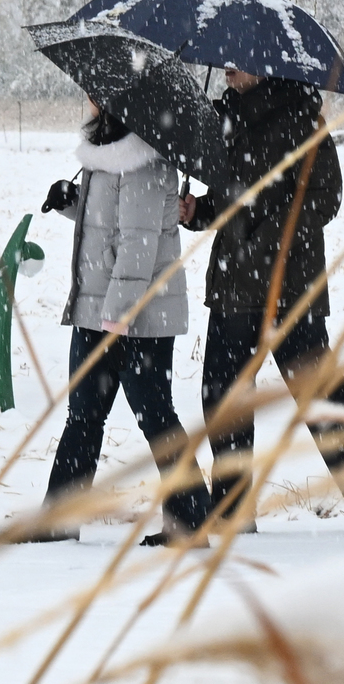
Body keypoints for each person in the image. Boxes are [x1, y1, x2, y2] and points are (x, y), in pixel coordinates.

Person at [181, 66, 344, 538]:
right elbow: (227, 201)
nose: (227, 69)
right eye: (225, 61)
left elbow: (327, 197)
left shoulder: (303, 120)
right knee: (223, 395)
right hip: (233, 281)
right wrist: (198, 210)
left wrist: (270, 228)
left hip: (289, 284)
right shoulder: (223, 120)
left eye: (237, 62)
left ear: (263, 69)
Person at [23, 103, 211, 544]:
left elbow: (138, 245)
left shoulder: (144, 158)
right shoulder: (105, 152)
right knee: (83, 415)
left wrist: (117, 316)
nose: (87, 100)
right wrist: (73, 203)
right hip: (99, 311)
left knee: (156, 416)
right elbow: (109, 227)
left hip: (136, 317)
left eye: (94, 94)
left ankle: (190, 521)